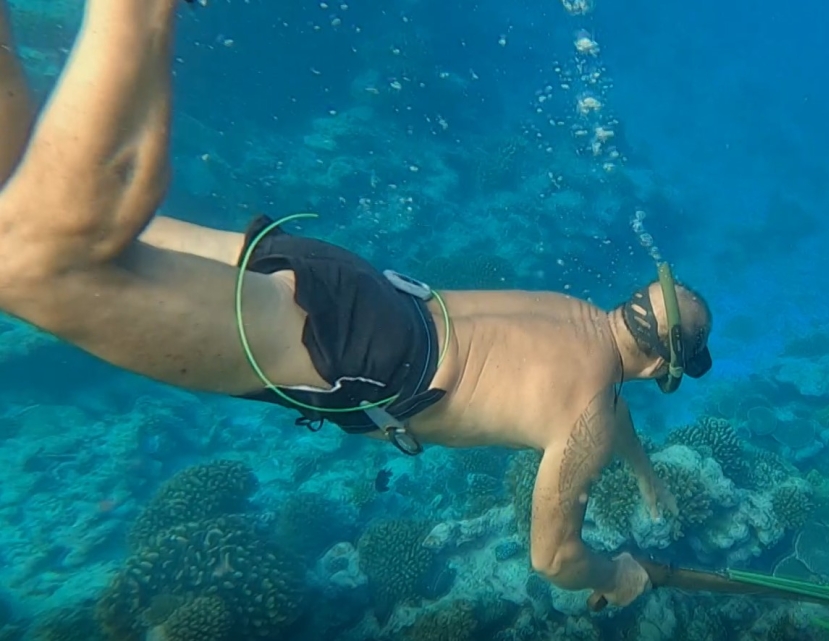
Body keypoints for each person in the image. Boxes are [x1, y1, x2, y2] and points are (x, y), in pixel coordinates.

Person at [0, 0, 714, 608]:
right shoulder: (589, 408)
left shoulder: (576, 316)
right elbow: (552, 559)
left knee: (20, 181)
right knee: (39, 262)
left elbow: (611, 421)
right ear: (663, 369)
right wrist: (619, 573)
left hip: (353, 285)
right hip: (348, 354)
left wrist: (647, 479)